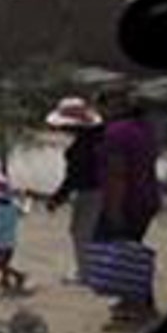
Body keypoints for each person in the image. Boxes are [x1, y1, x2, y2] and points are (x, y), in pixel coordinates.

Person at [91, 94, 165, 329]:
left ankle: (140, 305)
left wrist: (114, 209)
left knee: (116, 248)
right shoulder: (144, 129)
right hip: (147, 198)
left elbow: (117, 174)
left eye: (101, 107)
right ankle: (134, 301)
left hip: (128, 202)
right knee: (129, 248)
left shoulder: (116, 133)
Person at [43, 96, 105, 285]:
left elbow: (73, 178)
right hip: (102, 189)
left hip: (92, 191)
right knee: (90, 231)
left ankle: (86, 274)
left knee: (81, 232)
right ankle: (91, 269)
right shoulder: (97, 137)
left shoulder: (81, 147)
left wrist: (56, 199)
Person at [0, 168, 29, 293]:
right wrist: (26, 201)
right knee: (3, 264)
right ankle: (6, 281)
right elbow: (23, 213)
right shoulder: (13, 204)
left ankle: (18, 275)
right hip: (10, 242)